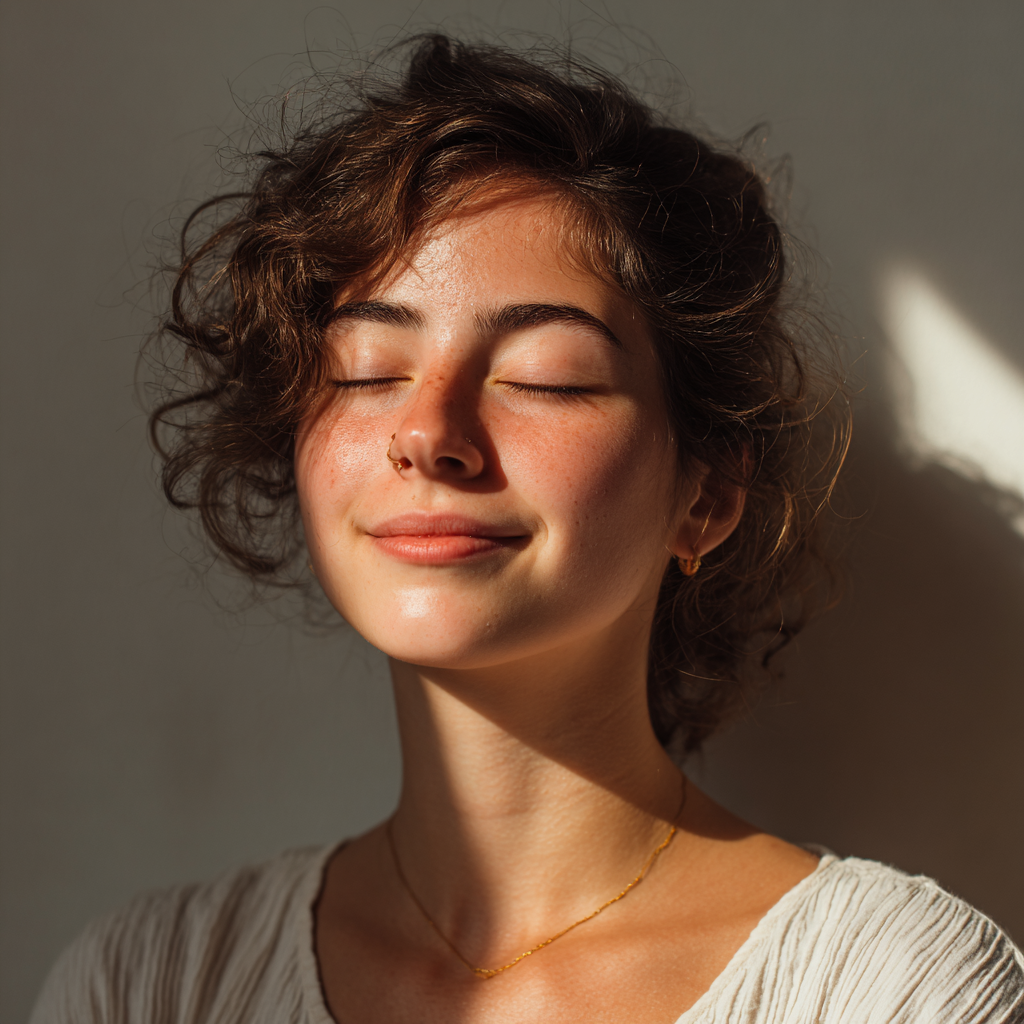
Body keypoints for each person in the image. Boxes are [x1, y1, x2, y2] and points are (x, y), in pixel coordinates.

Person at [31, 34, 1023, 1024]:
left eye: (543, 376)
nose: (426, 435)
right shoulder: (147, 981)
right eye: (369, 371)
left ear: (704, 497)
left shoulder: (890, 987)